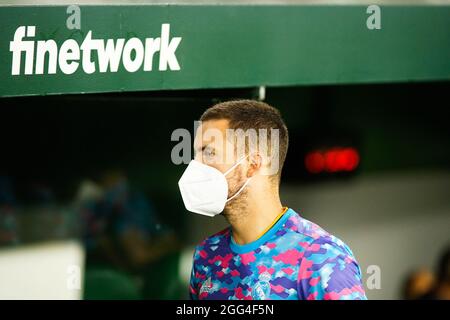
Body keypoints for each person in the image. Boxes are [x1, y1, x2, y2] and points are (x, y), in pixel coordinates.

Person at [178, 99, 367, 300]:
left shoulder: (320, 256)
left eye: (209, 153)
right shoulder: (207, 256)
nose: (196, 167)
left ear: (253, 163)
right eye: (196, 155)